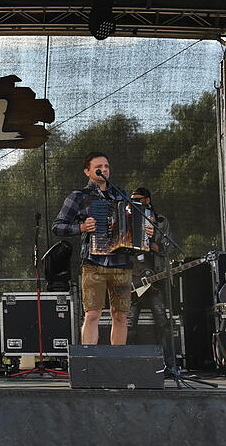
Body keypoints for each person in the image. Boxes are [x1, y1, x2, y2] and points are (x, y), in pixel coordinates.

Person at [52, 152, 134, 345]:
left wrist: (145, 230)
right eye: (99, 167)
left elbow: (134, 225)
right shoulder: (79, 197)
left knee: (121, 315)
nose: (104, 169)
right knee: (92, 314)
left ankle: (118, 362)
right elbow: (57, 226)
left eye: (106, 166)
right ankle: (89, 361)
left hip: (122, 263)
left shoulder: (122, 195)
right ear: (87, 171)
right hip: (93, 263)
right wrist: (80, 227)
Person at [126, 187, 175, 367]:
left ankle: (168, 365)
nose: (135, 202)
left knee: (162, 321)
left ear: (147, 200)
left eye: (138, 199)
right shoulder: (126, 221)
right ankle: (128, 364)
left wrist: (153, 239)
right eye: (132, 200)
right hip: (132, 279)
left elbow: (168, 248)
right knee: (129, 323)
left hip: (155, 277)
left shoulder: (160, 221)